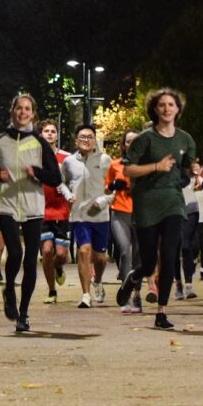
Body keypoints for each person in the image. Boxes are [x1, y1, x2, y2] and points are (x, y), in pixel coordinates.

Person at [0, 94, 61, 333]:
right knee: (15, 252)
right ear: (12, 110)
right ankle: (10, 290)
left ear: (32, 114)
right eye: (19, 108)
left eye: (27, 109)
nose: (23, 113)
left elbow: (56, 178)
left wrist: (37, 172)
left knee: (30, 259)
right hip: (6, 202)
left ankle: (23, 314)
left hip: (33, 205)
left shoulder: (39, 142)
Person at [121, 88, 196, 331]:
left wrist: (195, 171)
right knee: (149, 262)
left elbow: (187, 167)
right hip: (147, 202)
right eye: (162, 105)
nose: (166, 109)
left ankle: (162, 311)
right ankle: (135, 276)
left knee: (170, 255)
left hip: (173, 201)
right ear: (154, 109)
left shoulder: (185, 139)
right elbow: (128, 170)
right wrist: (156, 166)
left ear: (178, 109)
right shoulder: (144, 139)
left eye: (171, 105)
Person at [60, 124, 112, 308]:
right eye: (82, 137)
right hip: (79, 215)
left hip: (100, 215)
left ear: (95, 140)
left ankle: (98, 280)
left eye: (90, 137)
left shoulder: (105, 160)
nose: (86, 140)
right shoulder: (68, 162)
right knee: (84, 251)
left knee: (100, 258)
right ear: (76, 141)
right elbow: (61, 182)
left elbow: (115, 187)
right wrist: (68, 194)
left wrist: (104, 201)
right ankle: (85, 295)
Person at [37, 119, 72, 304]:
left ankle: (59, 267)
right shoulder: (34, 157)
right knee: (47, 250)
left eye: (52, 131)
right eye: (46, 131)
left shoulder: (67, 158)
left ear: (57, 135)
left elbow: (74, 180)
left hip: (62, 210)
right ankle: (51, 290)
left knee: (61, 255)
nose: (49, 134)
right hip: (41, 210)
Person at [106, 131, 140, 312]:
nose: (131, 144)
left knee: (138, 255)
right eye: (128, 141)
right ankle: (125, 295)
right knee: (125, 251)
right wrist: (113, 186)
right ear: (123, 145)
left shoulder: (146, 165)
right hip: (119, 212)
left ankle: (137, 294)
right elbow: (106, 188)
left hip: (141, 214)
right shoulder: (115, 164)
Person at [178, 158, 203, 299]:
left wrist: (201, 182)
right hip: (173, 210)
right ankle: (178, 283)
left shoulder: (192, 172)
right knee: (174, 248)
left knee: (187, 246)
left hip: (191, 211)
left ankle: (188, 284)